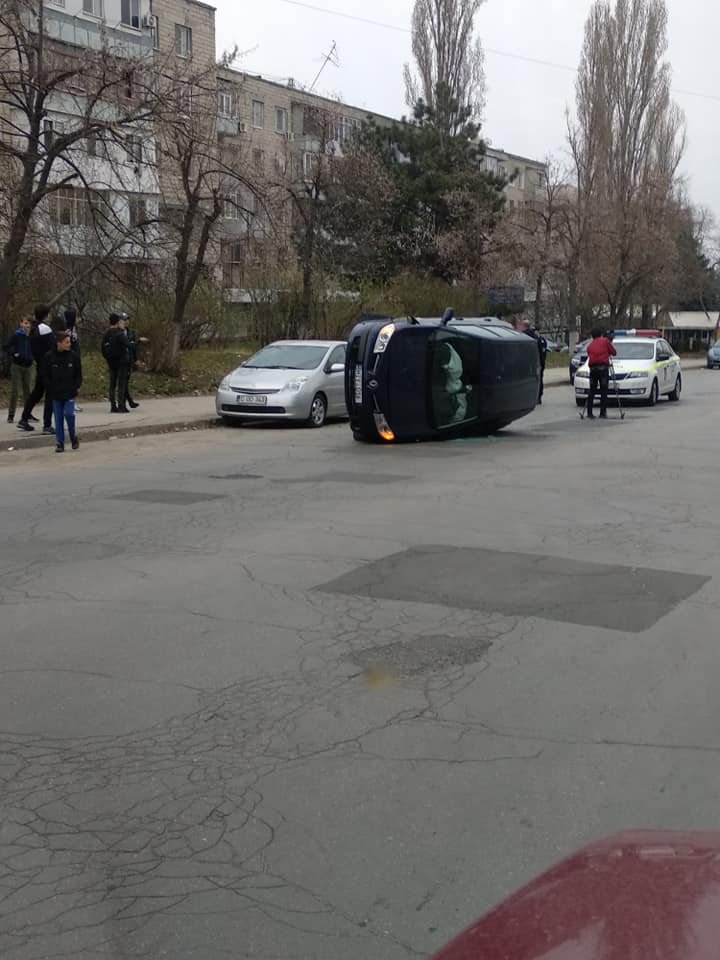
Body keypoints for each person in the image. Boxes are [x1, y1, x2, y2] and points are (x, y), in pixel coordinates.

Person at [17, 305, 54, 433]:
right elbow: (52, 346)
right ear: (46, 315)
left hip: (39, 363)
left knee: (37, 393)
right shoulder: (44, 328)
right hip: (48, 365)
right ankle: (47, 425)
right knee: (50, 394)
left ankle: (24, 418)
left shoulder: (33, 328)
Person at [43, 331, 82, 452]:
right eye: (66, 342)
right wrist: (50, 387)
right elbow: (45, 375)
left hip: (69, 393)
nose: (69, 344)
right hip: (55, 394)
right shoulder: (49, 357)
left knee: (69, 414)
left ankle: (73, 436)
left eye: (69, 342)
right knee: (58, 418)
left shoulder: (73, 356)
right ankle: (60, 443)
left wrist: (75, 387)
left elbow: (78, 375)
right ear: (59, 343)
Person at [3, 317, 34, 423]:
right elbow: (6, 346)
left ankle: (27, 414)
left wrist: (32, 358)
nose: (27, 326)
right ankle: (11, 415)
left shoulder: (31, 336)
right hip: (17, 365)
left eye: (29, 323)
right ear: (21, 324)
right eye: (25, 323)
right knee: (15, 391)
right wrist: (14, 353)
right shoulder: (17, 335)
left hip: (28, 366)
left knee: (27, 391)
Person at [101, 313, 130, 413]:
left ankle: (113, 405)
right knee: (121, 384)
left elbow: (103, 348)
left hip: (111, 362)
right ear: (118, 322)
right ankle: (121, 405)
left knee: (112, 384)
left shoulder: (106, 333)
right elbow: (127, 344)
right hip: (122, 362)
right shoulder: (119, 333)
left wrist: (108, 358)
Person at [586, 327, 617, 419]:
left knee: (592, 390)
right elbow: (614, 352)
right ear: (601, 335)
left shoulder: (590, 345)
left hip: (593, 369)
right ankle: (603, 413)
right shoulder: (605, 341)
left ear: (592, 336)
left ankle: (589, 412)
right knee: (604, 390)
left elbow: (589, 353)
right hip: (603, 368)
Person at [518, 317, 548, 404]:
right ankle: (538, 397)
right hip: (538, 363)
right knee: (538, 379)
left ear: (524, 326)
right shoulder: (539, 338)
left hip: (528, 363)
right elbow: (543, 353)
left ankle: (529, 397)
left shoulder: (523, 336)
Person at [120, 314, 141, 409]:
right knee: (123, 382)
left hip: (129, 359)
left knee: (126, 382)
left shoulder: (131, 332)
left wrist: (136, 359)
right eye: (124, 320)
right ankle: (127, 402)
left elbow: (134, 348)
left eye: (127, 319)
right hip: (121, 360)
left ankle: (129, 401)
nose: (126, 321)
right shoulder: (119, 332)